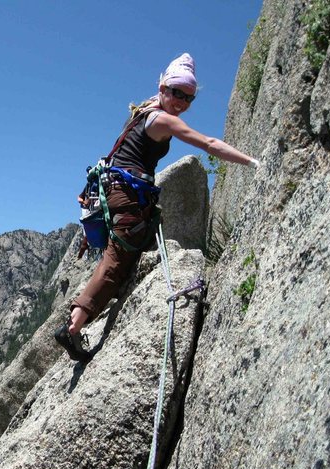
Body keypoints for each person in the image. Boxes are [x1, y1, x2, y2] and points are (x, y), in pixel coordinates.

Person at [55, 53, 259, 362]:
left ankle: (83, 316)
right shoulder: (162, 118)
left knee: (124, 251)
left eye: (188, 97)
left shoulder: (145, 107)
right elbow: (209, 144)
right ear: (163, 86)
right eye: (177, 92)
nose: (181, 102)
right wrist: (251, 161)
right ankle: (72, 328)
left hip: (117, 191)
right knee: (116, 263)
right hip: (127, 196)